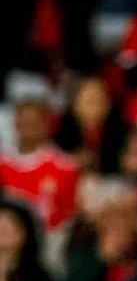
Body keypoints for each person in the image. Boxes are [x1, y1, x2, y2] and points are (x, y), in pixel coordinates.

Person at [0, 100, 80, 234]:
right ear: (15, 124)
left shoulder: (64, 166)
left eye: (34, 123)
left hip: (50, 236)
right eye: (24, 122)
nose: (28, 128)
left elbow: (69, 213)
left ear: (46, 126)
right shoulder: (2, 163)